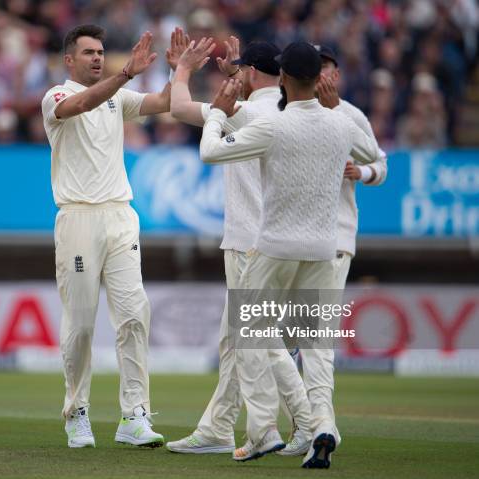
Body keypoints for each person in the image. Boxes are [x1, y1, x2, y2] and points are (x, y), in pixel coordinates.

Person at [199, 41, 383, 466]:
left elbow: (210, 152)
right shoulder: (341, 123)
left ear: (282, 78)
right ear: (317, 80)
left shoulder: (275, 125)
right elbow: (372, 153)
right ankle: (321, 425)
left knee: (252, 334)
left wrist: (216, 113)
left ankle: (264, 430)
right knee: (315, 344)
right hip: (322, 250)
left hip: (276, 247)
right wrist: (336, 114)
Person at [165, 30, 313, 457]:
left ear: (249, 73)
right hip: (281, 239)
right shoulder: (289, 111)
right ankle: (216, 428)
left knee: (258, 339)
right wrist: (241, 72)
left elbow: (177, 107)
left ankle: (308, 423)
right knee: (237, 342)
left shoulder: (243, 112)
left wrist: (183, 70)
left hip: (249, 241)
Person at [41, 24, 180, 449]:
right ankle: (76, 411)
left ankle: (134, 416)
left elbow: (164, 102)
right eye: (88, 53)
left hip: (121, 216)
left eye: (101, 52)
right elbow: (82, 104)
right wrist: (125, 74)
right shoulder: (57, 96)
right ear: (70, 60)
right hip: (79, 219)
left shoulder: (118, 95)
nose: (97, 58)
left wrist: (181, 71)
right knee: (81, 324)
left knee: (135, 314)